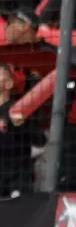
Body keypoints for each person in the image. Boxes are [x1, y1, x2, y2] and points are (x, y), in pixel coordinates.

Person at [0, 62, 35, 198]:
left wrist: (19, 123)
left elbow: (37, 140)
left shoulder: (19, 108)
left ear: (8, 84)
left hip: (17, 178)